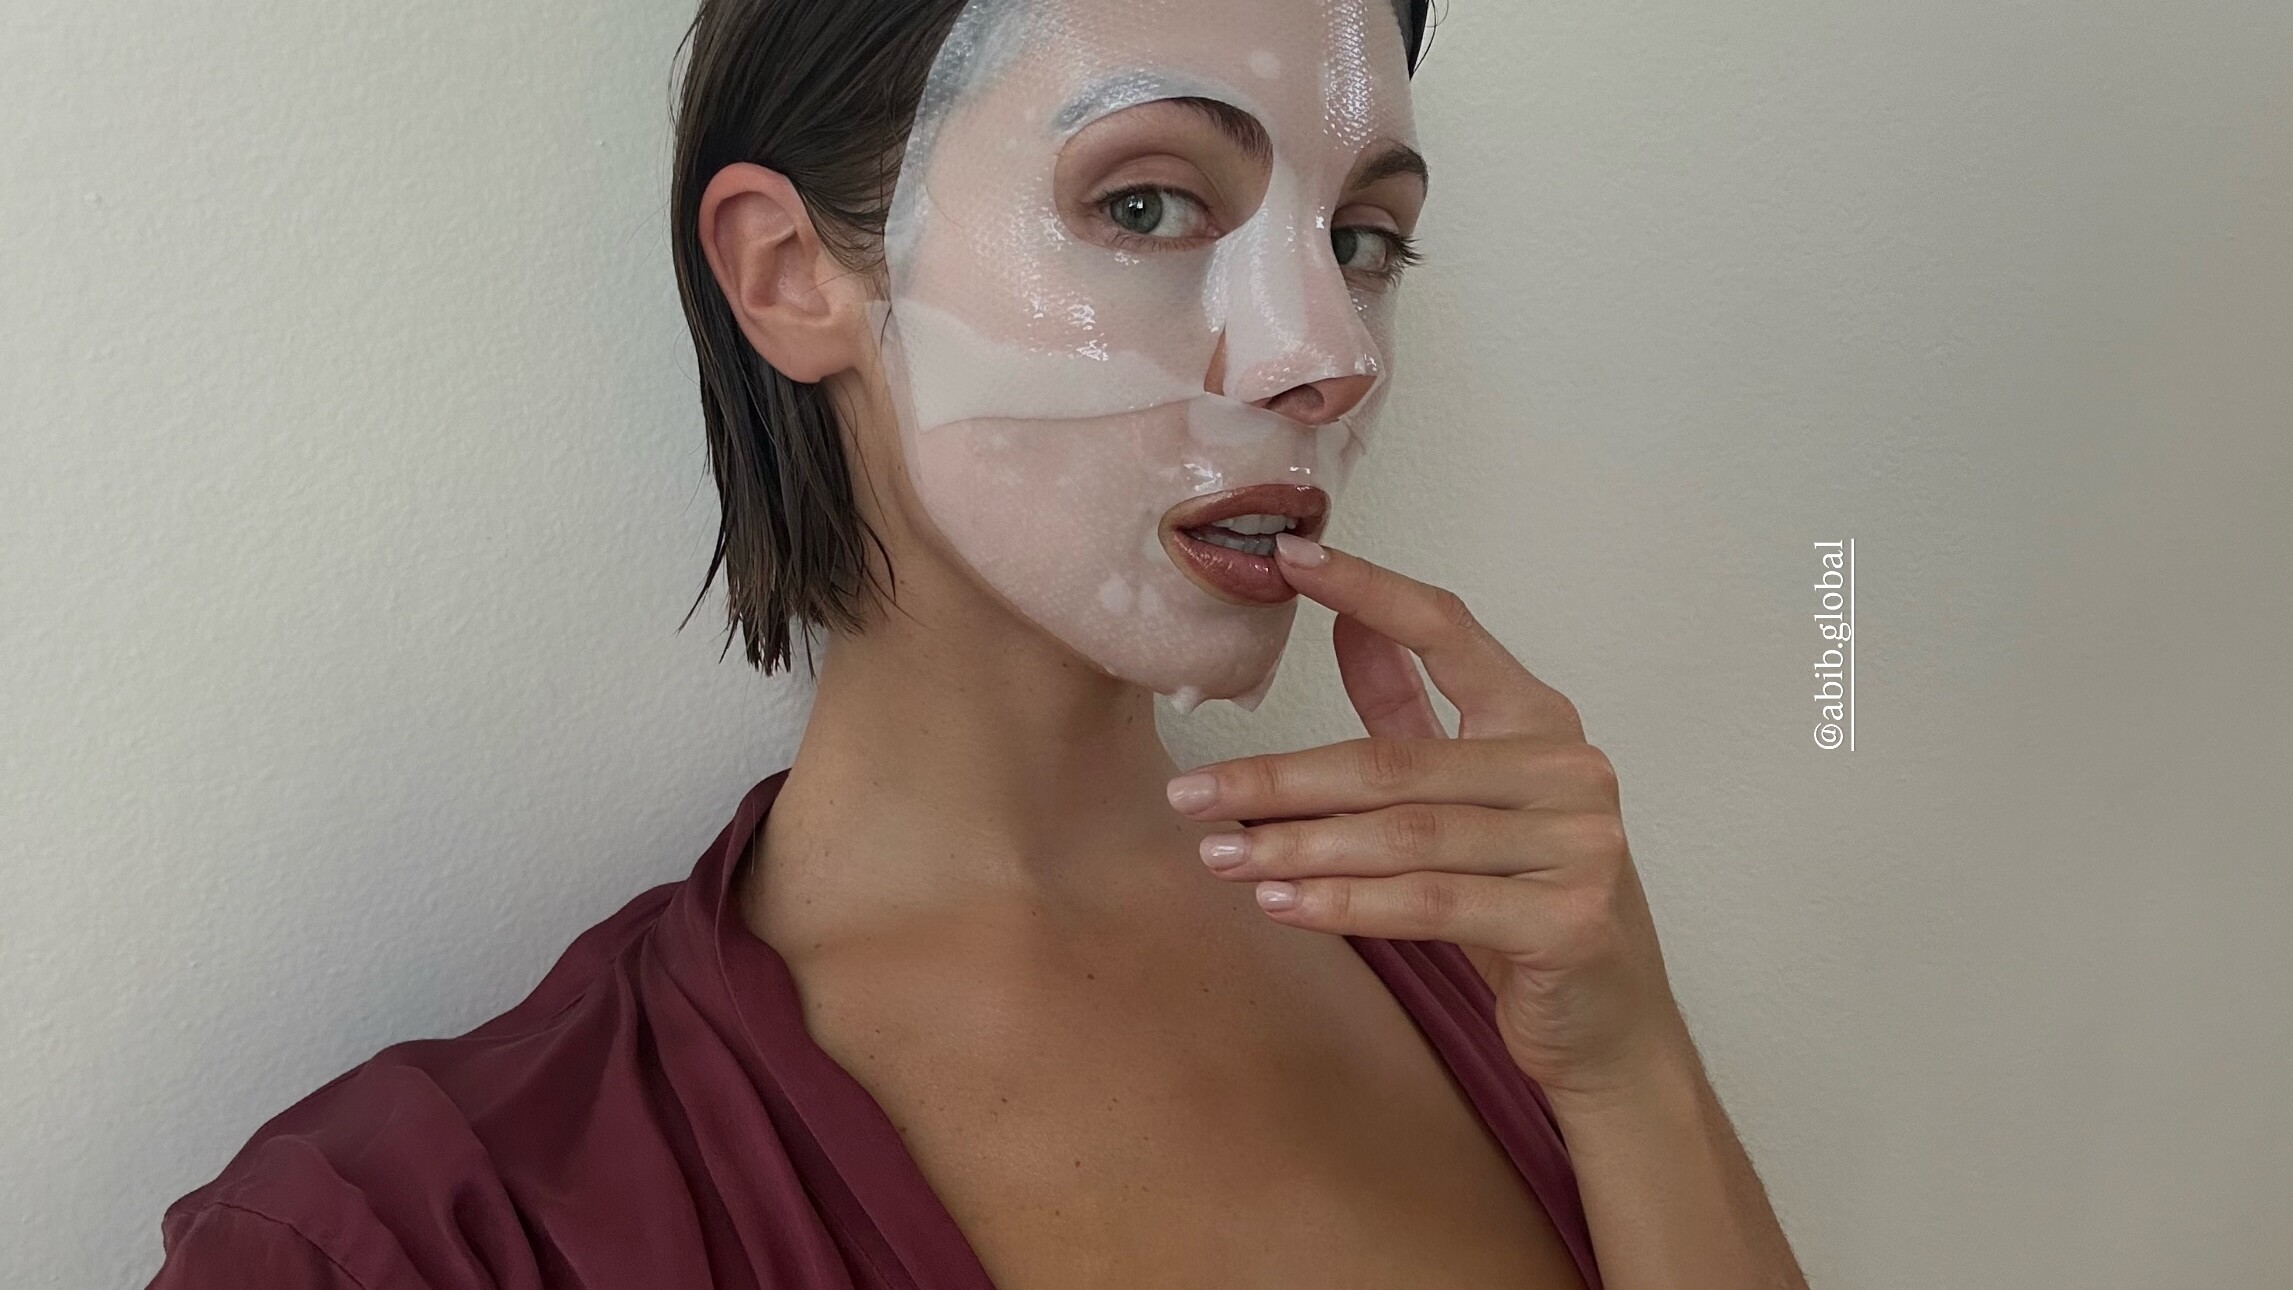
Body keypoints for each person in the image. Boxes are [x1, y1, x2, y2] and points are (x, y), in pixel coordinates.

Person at [149, 0, 1808, 1286]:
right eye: (1147, 201)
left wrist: (1630, 1063)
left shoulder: (1494, 968)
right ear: (790, 275)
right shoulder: (420, 1231)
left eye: (1359, 241)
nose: (1326, 355)